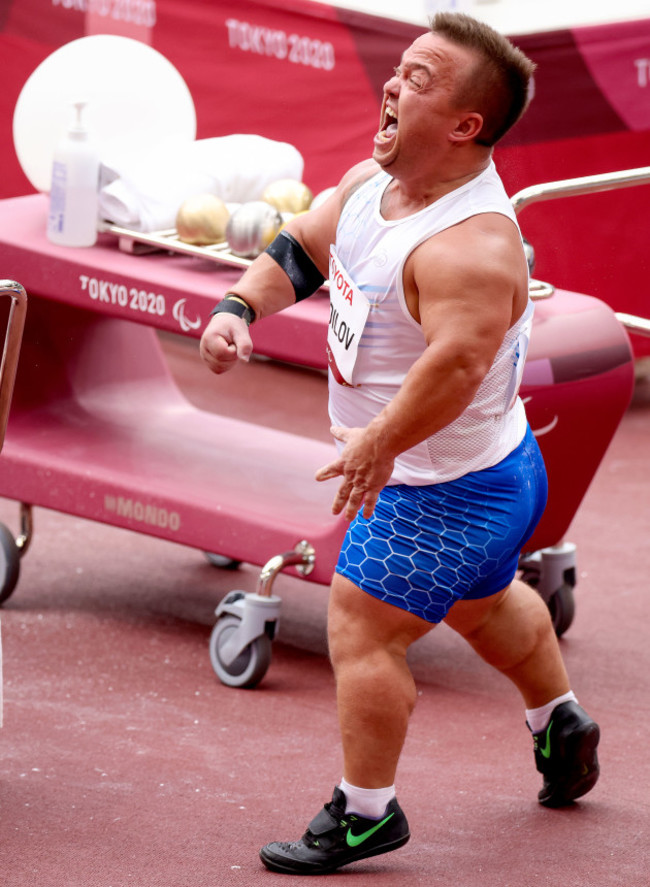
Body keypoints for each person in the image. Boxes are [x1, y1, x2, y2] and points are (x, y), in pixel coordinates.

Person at [200, 12, 600, 876]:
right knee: (484, 604)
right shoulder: (371, 186)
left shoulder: (473, 246)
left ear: (466, 126)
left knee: (361, 629)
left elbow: (458, 367)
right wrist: (240, 307)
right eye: (400, 69)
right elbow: (304, 245)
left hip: (440, 485)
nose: (392, 85)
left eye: (419, 79)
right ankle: (559, 718)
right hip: (487, 469)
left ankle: (366, 814)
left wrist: (379, 440)